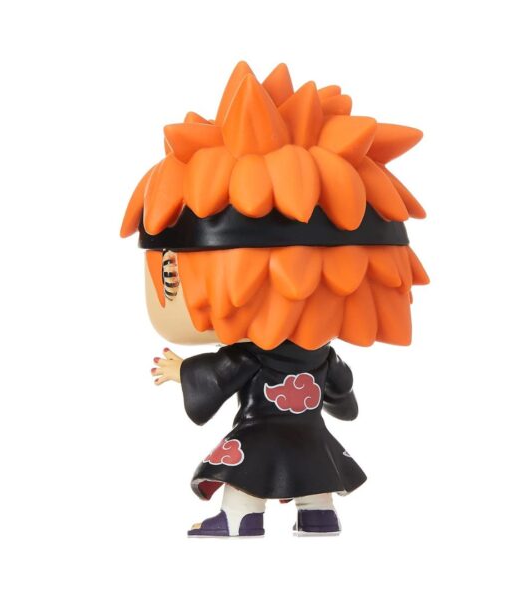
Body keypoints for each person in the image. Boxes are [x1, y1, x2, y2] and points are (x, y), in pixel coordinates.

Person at [121, 61, 428, 537]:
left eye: (169, 271)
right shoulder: (321, 355)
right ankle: (318, 513)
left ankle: (240, 517)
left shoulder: (253, 356)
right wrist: (342, 401)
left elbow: (224, 371)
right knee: (313, 471)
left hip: (261, 429)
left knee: (250, 470)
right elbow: (341, 391)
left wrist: (181, 370)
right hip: (309, 431)